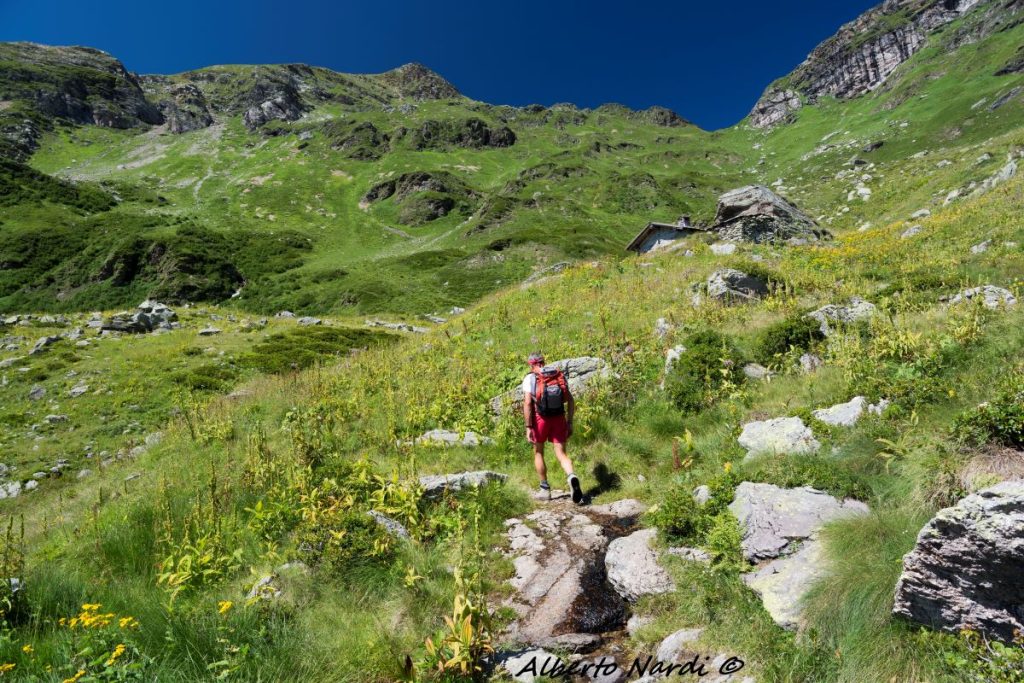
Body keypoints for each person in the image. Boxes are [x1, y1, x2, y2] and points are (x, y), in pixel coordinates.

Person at [523, 352, 583, 503]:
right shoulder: (557, 375)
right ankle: (571, 476)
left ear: (531, 364)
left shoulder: (530, 378)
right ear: (544, 361)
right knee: (561, 453)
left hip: (540, 419)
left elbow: (528, 403)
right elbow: (570, 400)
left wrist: (528, 426)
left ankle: (544, 489)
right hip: (559, 418)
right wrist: (569, 422)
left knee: (538, 452)